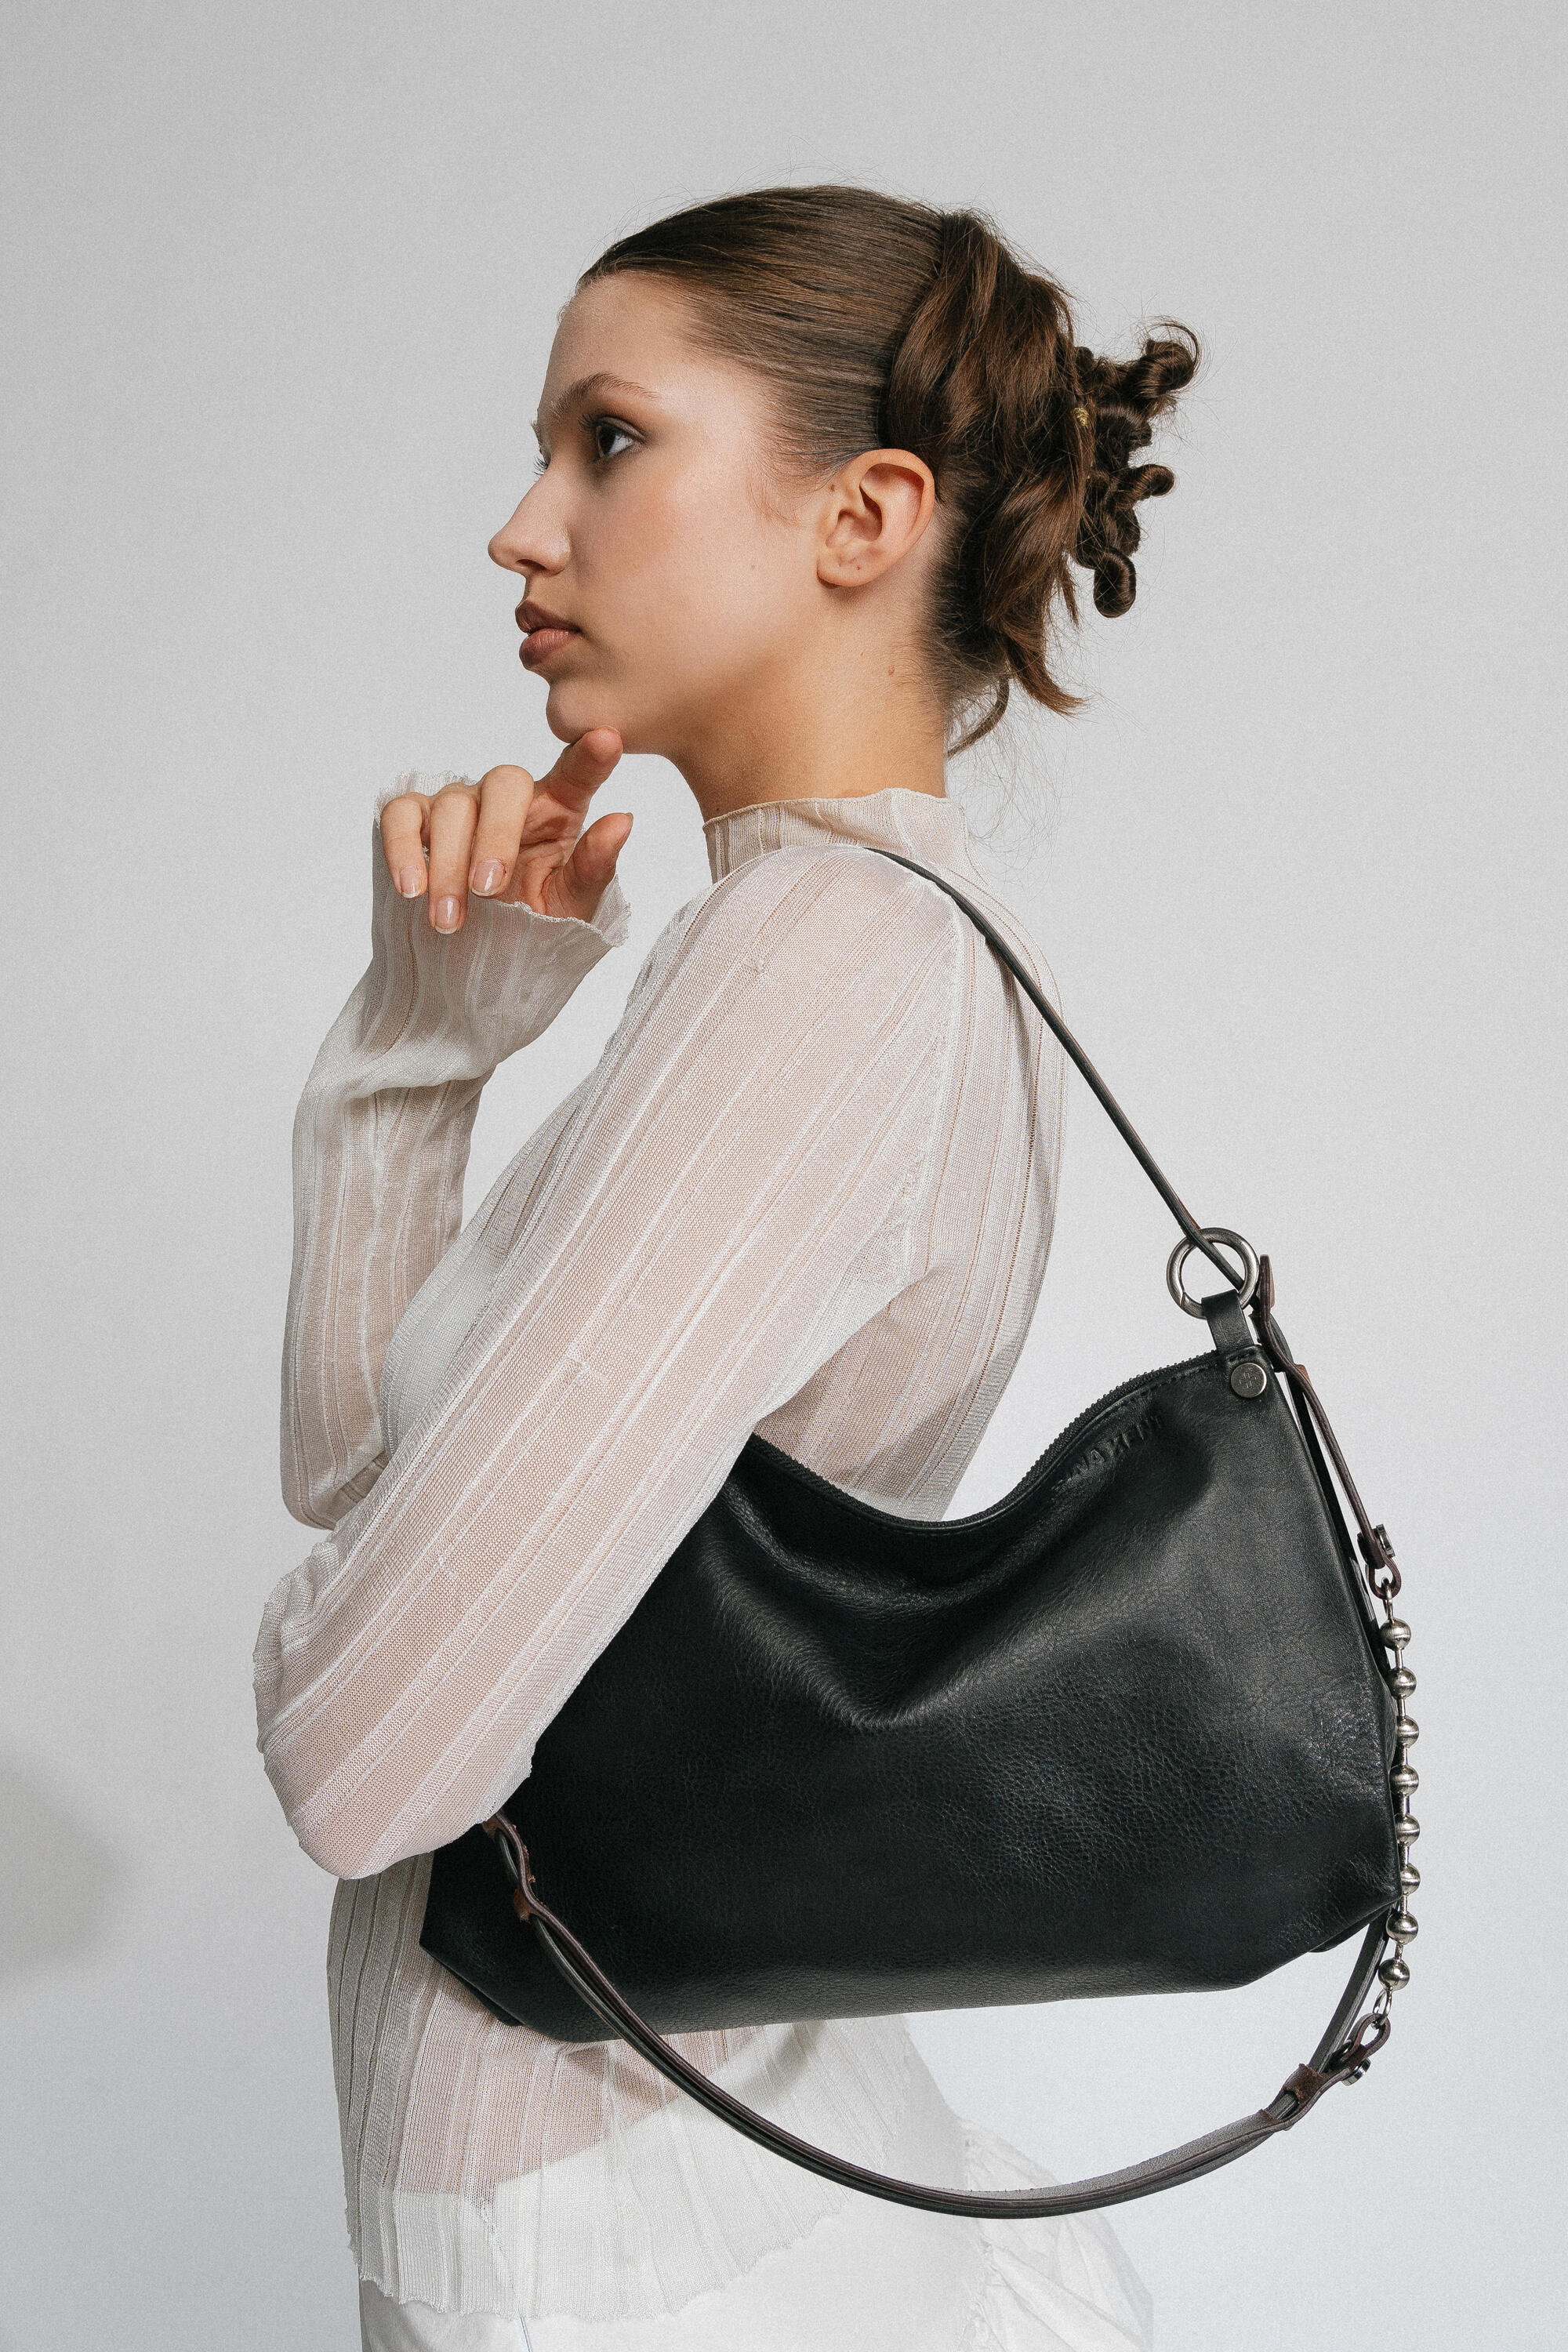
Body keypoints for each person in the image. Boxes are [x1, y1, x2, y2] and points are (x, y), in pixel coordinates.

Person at [253, 183, 1197, 2352]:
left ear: (862, 517)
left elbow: (361, 1759)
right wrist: (423, 1044)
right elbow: (347, 1471)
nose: (522, 524)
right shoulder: (829, 942)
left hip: (615, 2237)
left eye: (608, 441)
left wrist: (358, 1635)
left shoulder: (820, 969)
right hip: (660, 2164)